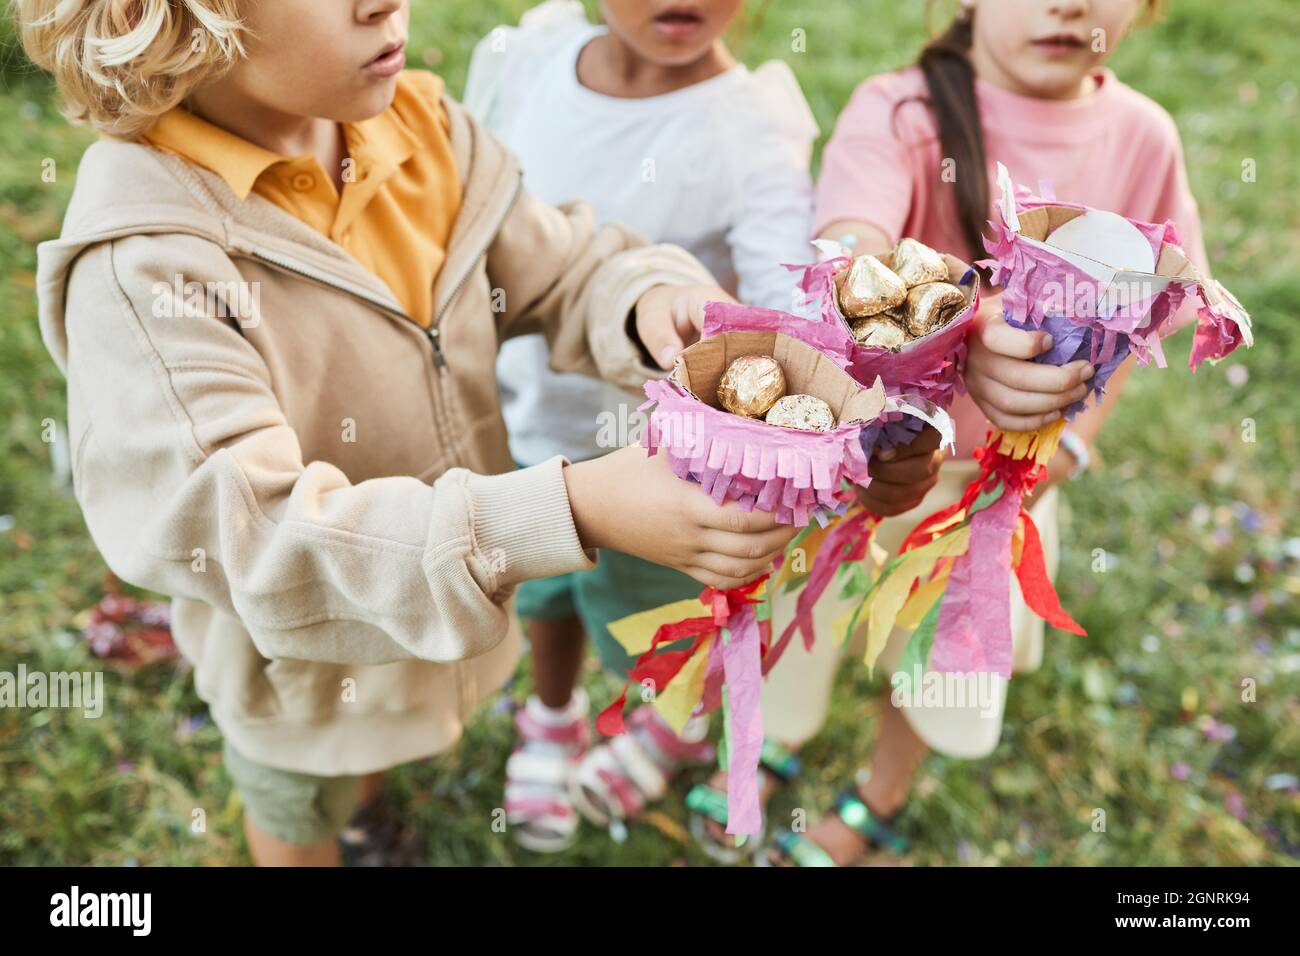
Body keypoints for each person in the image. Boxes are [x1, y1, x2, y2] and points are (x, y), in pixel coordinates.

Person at [18, 0, 795, 866]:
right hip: (301, 679)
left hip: (441, 619)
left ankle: (374, 805)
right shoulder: (148, 268)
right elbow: (262, 539)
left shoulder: (416, 129)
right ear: (180, 17)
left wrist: (646, 300)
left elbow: (560, 267)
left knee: (384, 746)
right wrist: (573, 510)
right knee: (303, 804)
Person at [761, 0, 1210, 865]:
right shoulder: (902, 115)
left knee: (928, 654)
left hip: (994, 490)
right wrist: (951, 321)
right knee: (805, 625)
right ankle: (784, 740)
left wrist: (1072, 445)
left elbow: (1151, 308)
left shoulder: (1144, 138)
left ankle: (878, 793)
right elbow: (853, 240)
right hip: (872, 462)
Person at [463, 0, 818, 852]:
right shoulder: (526, 57)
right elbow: (467, 208)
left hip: (668, 472)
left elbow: (783, 294)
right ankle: (553, 713)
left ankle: (674, 725)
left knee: (663, 622)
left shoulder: (752, 123)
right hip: (525, 417)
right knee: (541, 584)